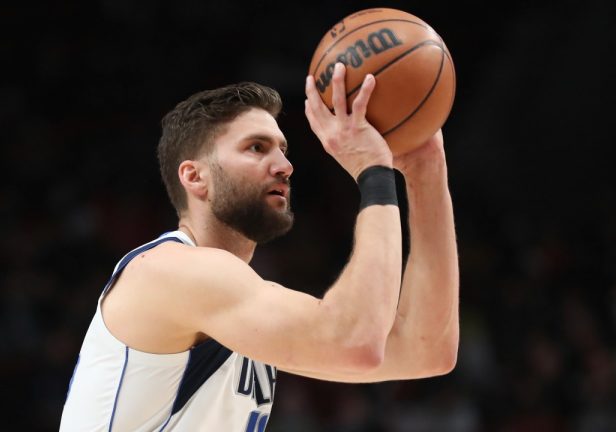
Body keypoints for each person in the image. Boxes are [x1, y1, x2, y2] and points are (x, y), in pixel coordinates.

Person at [59, 62, 459, 431]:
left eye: (283, 149)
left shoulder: (238, 302)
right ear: (195, 177)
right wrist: (373, 171)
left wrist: (427, 170)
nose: (285, 165)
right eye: (256, 147)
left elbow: (428, 350)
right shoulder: (168, 272)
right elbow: (356, 342)